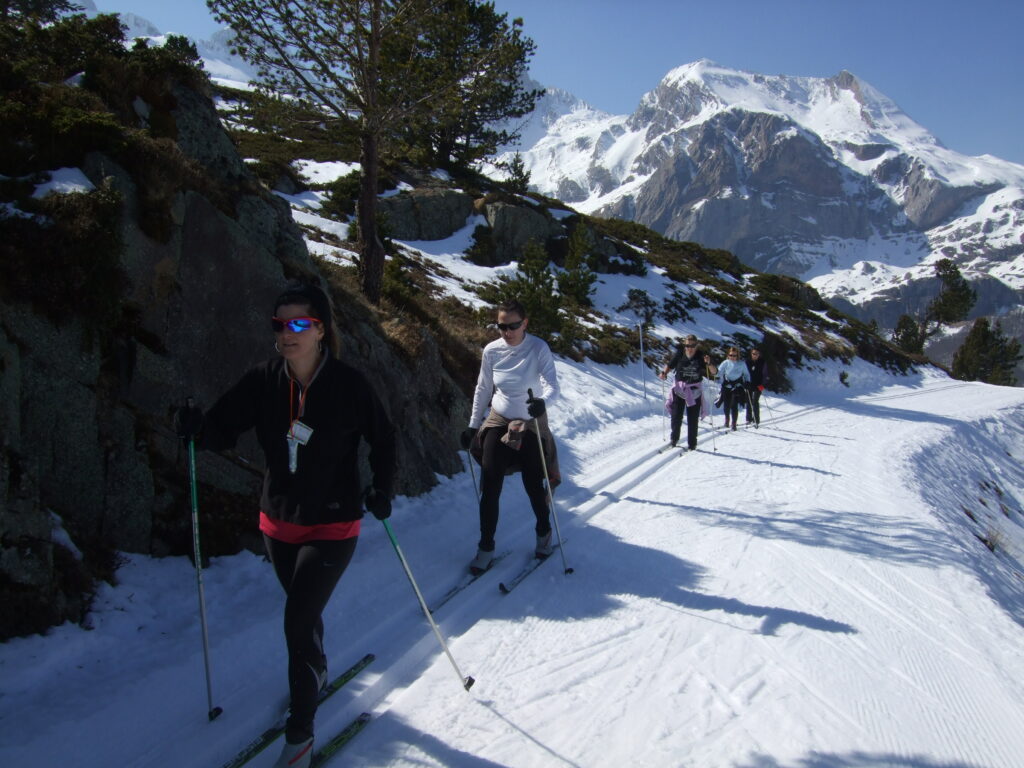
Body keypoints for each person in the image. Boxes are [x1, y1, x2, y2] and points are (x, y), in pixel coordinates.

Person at [175, 282, 395, 768]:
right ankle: (314, 666)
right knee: (304, 615)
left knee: (296, 619)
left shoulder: (350, 385)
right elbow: (220, 428)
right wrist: (196, 428)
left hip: (334, 525)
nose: (286, 333)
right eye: (280, 324)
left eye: (298, 323)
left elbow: (384, 439)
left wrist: (383, 488)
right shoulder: (264, 380)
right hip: (277, 525)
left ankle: (300, 736)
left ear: (321, 329)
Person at [460, 300, 560, 574]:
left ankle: (543, 533)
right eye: (501, 326)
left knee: (532, 484)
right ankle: (485, 547)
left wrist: (543, 402)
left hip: (530, 422)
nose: (507, 331)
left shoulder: (538, 347)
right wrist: (472, 425)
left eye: (513, 325)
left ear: (525, 323)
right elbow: (483, 388)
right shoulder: (492, 351)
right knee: (490, 485)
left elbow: (553, 385)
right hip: (499, 420)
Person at [658, 334, 717, 451]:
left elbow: (714, 373)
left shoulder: (702, 356)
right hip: (679, 389)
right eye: (687, 345)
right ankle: (674, 439)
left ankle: (692, 443)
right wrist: (664, 373)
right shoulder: (680, 354)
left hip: (694, 390)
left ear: (696, 345)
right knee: (676, 416)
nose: (689, 348)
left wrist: (709, 363)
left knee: (692, 418)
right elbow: (670, 365)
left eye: (692, 345)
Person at [716, 346, 750, 431]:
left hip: (737, 386)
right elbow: (719, 372)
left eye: (734, 355)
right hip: (727, 386)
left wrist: (747, 382)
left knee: (734, 405)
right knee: (726, 405)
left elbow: (746, 374)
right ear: (728, 355)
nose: (732, 357)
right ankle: (727, 419)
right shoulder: (725, 363)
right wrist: (715, 373)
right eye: (731, 355)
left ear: (737, 355)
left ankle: (734, 423)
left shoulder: (741, 364)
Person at [745, 347, 767, 427]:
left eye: (756, 354)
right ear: (751, 354)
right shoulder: (747, 361)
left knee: (755, 401)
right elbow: (744, 372)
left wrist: (763, 384)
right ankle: (748, 418)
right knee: (749, 401)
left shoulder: (762, 362)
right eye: (753, 354)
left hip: (758, 384)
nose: (755, 355)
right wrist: (745, 382)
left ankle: (756, 419)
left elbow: (765, 374)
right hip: (749, 384)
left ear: (759, 355)